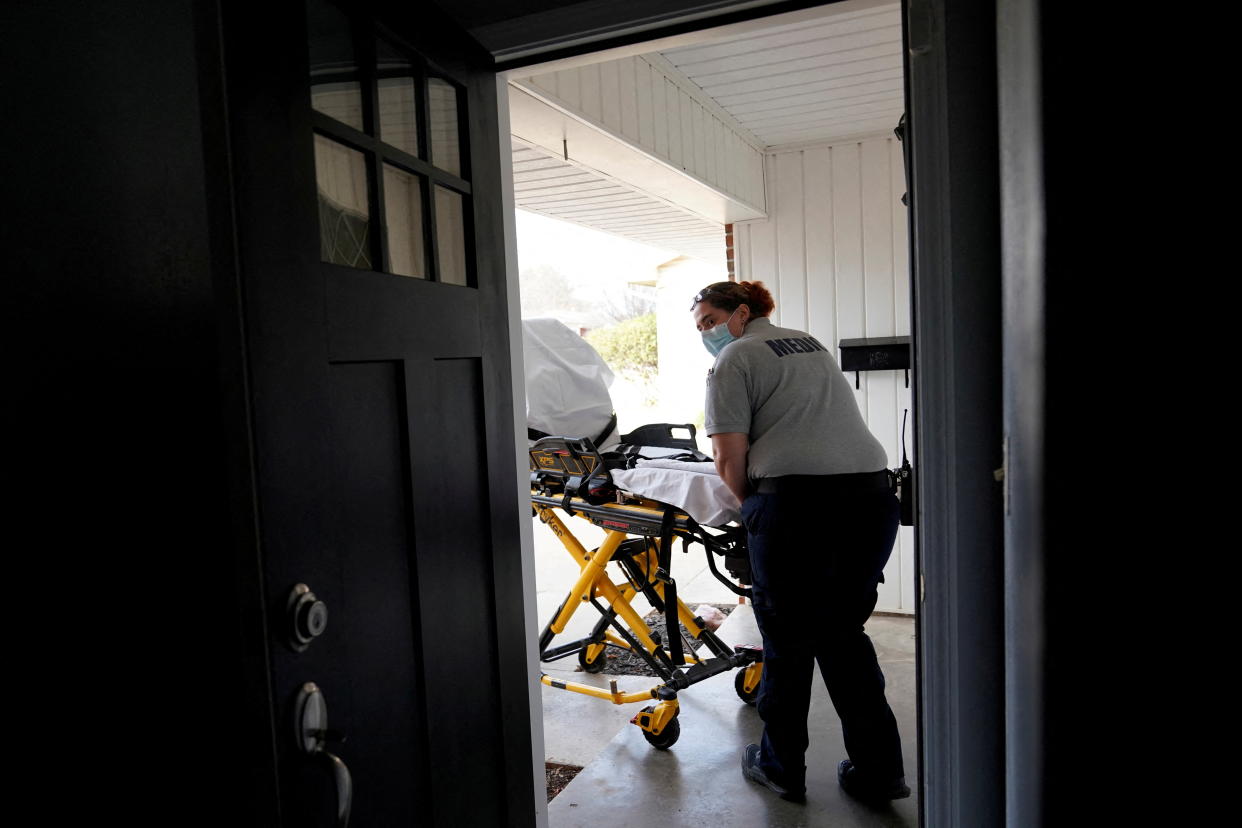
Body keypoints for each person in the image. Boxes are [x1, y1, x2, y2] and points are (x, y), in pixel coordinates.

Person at [691, 280, 910, 806]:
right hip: (871, 500)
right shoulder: (805, 342)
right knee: (842, 634)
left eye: (708, 322)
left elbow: (727, 458)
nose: (705, 333)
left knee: (787, 643)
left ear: (741, 312)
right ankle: (878, 772)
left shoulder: (734, 359)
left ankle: (780, 766)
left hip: (797, 508)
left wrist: (756, 508)